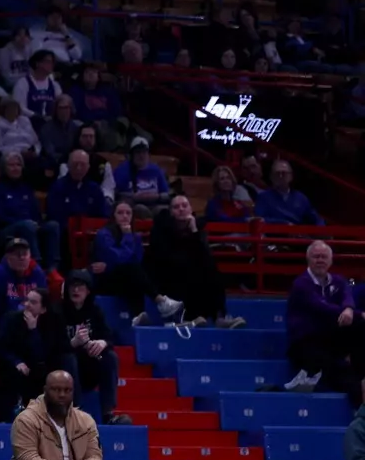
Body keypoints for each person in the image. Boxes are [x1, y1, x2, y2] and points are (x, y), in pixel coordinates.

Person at [147, 194, 239, 328]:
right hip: (168, 277)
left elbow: (205, 258)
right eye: (176, 207)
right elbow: (162, 259)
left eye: (184, 206)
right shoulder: (161, 229)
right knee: (185, 271)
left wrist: (194, 231)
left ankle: (219, 317)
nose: (181, 209)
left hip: (192, 275)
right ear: (171, 211)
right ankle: (186, 318)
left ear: (191, 210)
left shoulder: (198, 229)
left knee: (212, 272)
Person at [284, 241, 358, 395]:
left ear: (330, 261)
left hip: (330, 338)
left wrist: (349, 309)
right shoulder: (301, 284)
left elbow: (347, 296)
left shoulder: (338, 281)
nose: (320, 260)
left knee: (360, 326)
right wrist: (354, 313)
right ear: (308, 259)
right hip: (305, 341)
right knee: (338, 370)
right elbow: (321, 308)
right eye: (316, 257)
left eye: (324, 257)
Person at [56, 271, 127, 424]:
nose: (76, 290)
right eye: (72, 286)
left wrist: (102, 343)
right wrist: (73, 343)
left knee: (110, 357)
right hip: (62, 368)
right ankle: (74, 410)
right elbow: (51, 346)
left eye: (80, 286)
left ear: (88, 290)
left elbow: (109, 337)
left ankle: (108, 413)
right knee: (69, 358)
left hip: (88, 367)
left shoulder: (95, 311)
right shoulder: (57, 312)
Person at [0, 287, 69, 418]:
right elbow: (0, 347)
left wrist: (33, 330)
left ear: (43, 309)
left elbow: (42, 355)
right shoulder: (12, 319)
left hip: (39, 367)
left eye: (33, 302)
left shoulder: (52, 323)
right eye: (26, 300)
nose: (27, 305)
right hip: (14, 365)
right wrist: (16, 362)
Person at [255, 160, 324, 226]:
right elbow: (260, 220)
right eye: (277, 173)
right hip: (272, 235)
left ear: (291, 176)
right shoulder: (263, 197)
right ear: (271, 177)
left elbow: (314, 218)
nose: (280, 176)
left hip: (297, 235)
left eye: (284, 173)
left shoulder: (301, 198)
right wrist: (283, 224)